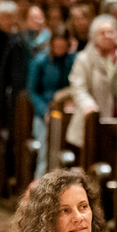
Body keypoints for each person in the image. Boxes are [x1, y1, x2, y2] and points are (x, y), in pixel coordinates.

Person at [65, 15, 117, 148]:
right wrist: (87, 105)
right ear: (94, 36)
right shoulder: (84, 58)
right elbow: (78, 86)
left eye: (111, 32)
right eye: (102, 33)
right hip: (92, 120)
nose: (107, 36)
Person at [26, 25, 74, 177]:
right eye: (57, 45)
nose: (59, 49)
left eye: (63, 46)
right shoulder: (40, 61)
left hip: (66, 113)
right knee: (45, 154)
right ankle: (40, 184)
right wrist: (43, 111)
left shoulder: (73, 61)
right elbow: (32, 91)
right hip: (45, 113)